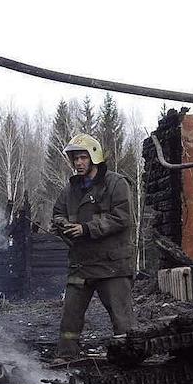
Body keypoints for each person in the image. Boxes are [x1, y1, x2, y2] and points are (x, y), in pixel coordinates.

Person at [48, 133, 135, 363]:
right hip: (81, 264)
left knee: (122, 319)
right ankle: (66, 357)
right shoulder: (70, 189)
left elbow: (121, 218)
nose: (78, 163)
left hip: (112, 265)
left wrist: (86, 229)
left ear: (95, 157)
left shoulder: (116, 184)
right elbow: (57, 213)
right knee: (70, 316)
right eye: (75, 158)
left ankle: (130, 360)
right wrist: (62, 224)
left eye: (83, 157)